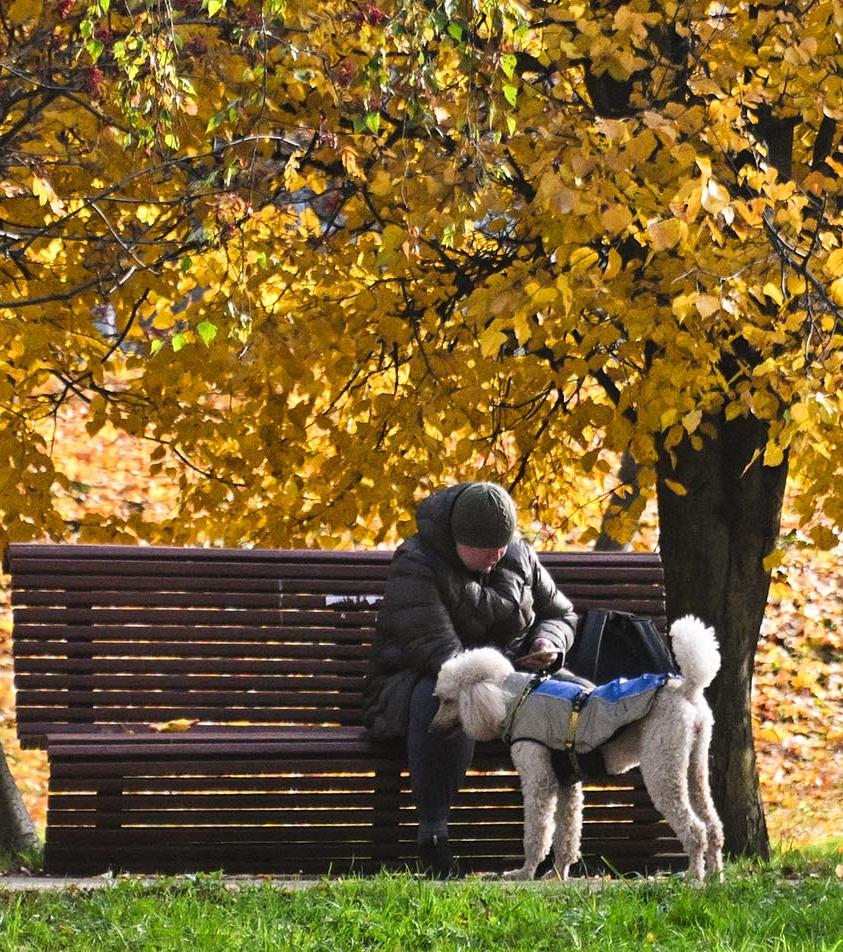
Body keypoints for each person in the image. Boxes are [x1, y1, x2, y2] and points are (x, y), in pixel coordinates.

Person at [361, 481, 579, 878]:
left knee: (570, 698)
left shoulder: (516, 554)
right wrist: (511, 679)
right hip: (419, 682)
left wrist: (549, 641)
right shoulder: (417, 562)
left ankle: (561, 850)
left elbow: (560, 613)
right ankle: (434, 837)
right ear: (459, 539)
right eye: (487, 547)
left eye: (504, 542)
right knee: (449, 700)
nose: (499, 554)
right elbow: (439, 654)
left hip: (510, 678)